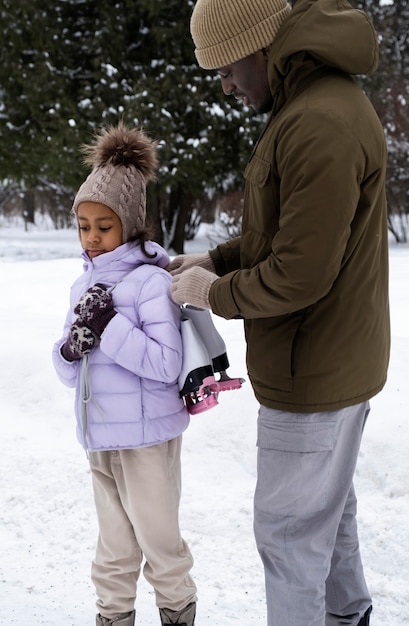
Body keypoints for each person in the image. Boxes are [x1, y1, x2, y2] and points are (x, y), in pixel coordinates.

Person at [167, 0, 390, 625]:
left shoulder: (318, 120)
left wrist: (210, 295)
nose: (225, 85)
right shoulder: (316, 104)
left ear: (257, 47)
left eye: (226, 67)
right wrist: (212, 259)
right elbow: (286, 237)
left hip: (313, 373)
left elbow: (299, 273)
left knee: (290, 536)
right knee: (328, 513)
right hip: (335, 362)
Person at [52, 123, 197, 626]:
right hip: (99, 437)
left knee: (159, 540)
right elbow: (71, 373)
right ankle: (113, 616)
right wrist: (72, 349)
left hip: (147, 440)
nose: (92, 238)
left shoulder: (150, 284)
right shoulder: (82, 287)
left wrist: (108, 326)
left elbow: (166, 365)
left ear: (131, 226)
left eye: (104, 226)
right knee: (113, 547)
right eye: (83, 225)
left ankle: (177, 612)